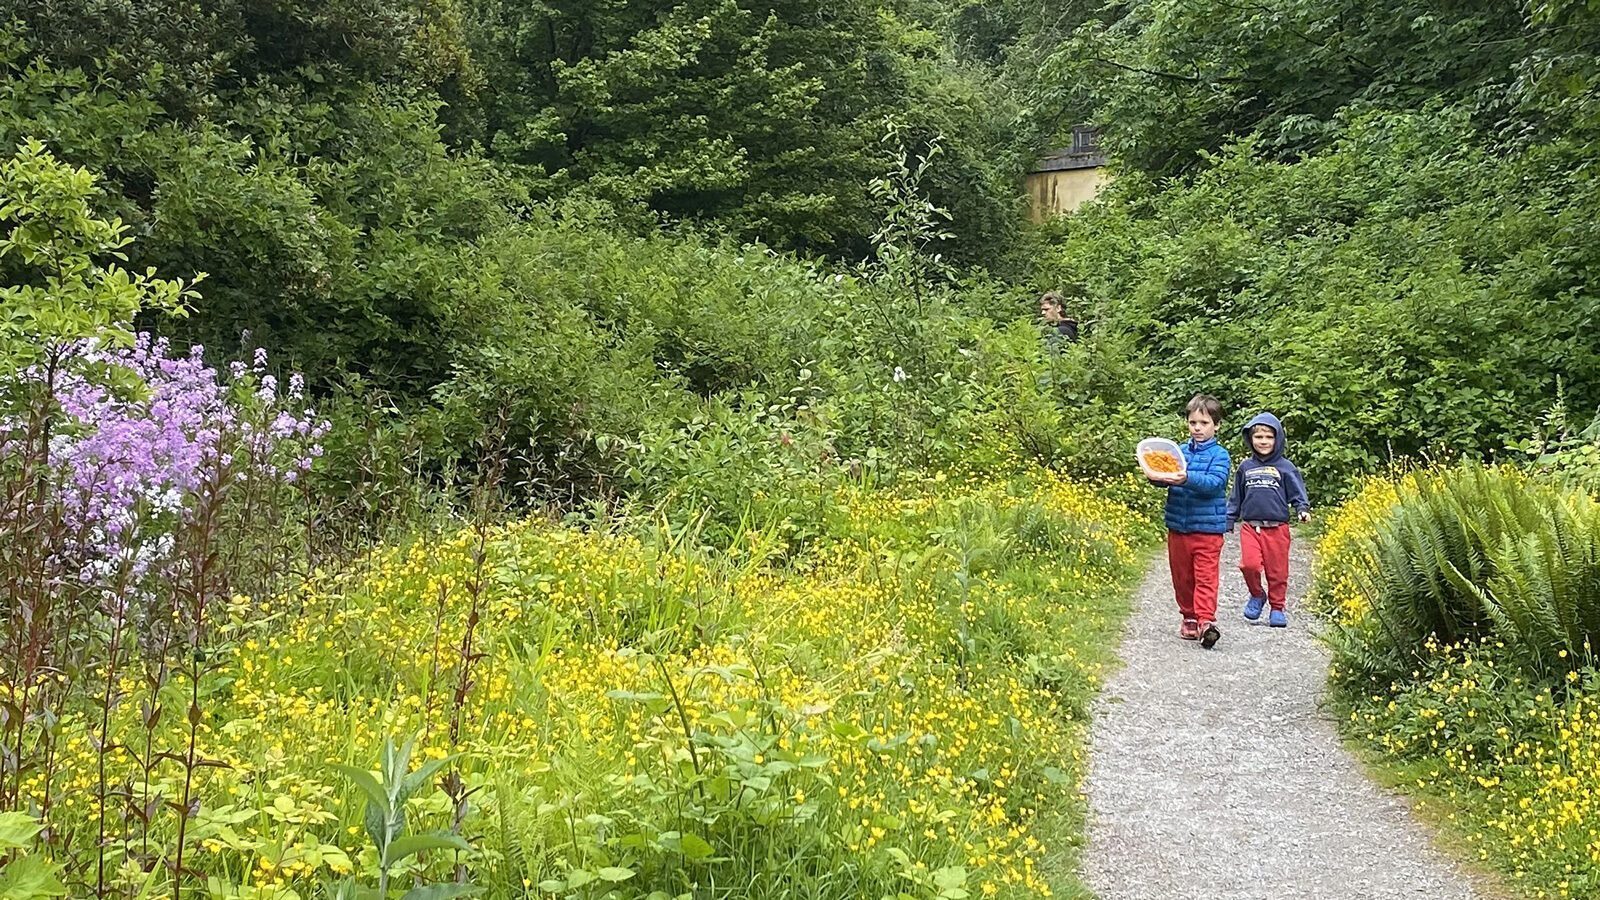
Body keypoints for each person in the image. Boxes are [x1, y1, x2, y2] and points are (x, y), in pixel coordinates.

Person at [1148, 394, 1233, 648]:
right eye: (1193, 422)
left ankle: (1207, 621)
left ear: (1216, 425)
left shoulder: (1220, 455)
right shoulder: (1178, 452)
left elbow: (1214, 484)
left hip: (1207, 531)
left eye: (1204, 423)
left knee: (1206, 577)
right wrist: (1153, 474)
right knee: (1182, 578)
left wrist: (1186, 478)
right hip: (1178, 527)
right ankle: (1189, 617)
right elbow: (1162, 478)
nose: (1197, 427)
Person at [1226, 412, 1311, 628]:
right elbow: (1236, 496)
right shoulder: (1245, 467)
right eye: (1258, 437)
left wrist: (1302, 509)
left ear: (1277, 439)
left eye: (1268, 437)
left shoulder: (1285, 467)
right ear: (1250, 440)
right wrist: (1229, 518)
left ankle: (1277, 607)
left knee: (1278, 571)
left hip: (1277, 529)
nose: (1263, 442)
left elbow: (1297, 493)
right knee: (1249, 565)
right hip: (1251, 527)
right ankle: (1257, 594)